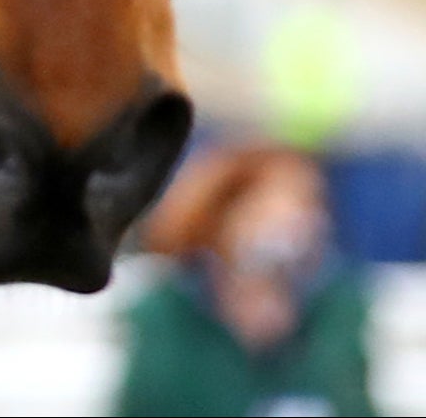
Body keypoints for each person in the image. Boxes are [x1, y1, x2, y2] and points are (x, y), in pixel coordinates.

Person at [117, 144, 377, 417]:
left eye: (310, 205)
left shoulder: (336, 310)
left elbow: (354, 404)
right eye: (279, 206)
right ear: (227, 213)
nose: (299, 223)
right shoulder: (166, 311)